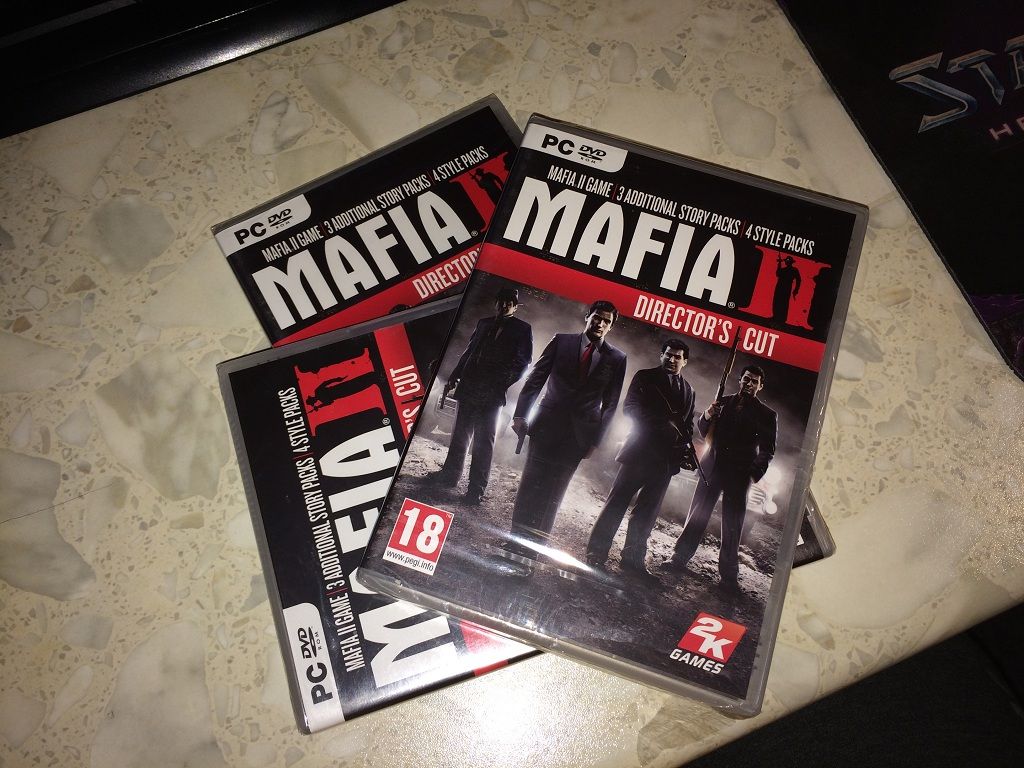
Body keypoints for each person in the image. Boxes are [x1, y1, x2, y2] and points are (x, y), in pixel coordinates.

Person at [506, 300, 627, 561]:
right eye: (597, 317)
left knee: (555, 492)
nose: (600, 323)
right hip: (545, 426)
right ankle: (515, 540)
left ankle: (534, 548)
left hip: (579, 436)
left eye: (607, 321)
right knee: (531, 484)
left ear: (611, 326)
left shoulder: (617, 358)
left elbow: (611, 404)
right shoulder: (561, 341)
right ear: (588, 317)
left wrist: (597, 441)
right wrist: (520, 414)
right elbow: (536, 379)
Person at [586, 339, 696, 581]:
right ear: (661, 355)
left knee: (647, 514)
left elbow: (688, 425)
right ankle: (596, 553)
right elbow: (631, 408)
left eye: (677, 357)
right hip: (639, 453)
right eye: (668, 354)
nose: (672, 359)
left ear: (685, 361)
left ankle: (633, 560)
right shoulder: (645, 377)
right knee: (617, 504)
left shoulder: (689, 390)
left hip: (665, 462)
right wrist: (662, 427)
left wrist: (683, 445)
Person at [664, 365, 776, 593]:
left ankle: (729, 578)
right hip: (713, 467)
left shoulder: (767, 414)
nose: (749, 384)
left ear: (760, 386)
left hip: (740, 474)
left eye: (754, 381)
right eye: (746, 379)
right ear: (740, 380)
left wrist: (753, 473)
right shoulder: (722, 402)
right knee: (697, 516)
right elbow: (704, 430)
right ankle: (679, 558)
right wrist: (708, 414)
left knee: (733, 525)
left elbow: (768, 450)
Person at [429, 287, 532, 503]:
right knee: (459, 436)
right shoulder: (484, 323)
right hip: (469, 387)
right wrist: (455, 376)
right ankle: (450, 476)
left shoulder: (523, 328)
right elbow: (469, 352)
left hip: (492, 393)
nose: (505, 305)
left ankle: (476, 489)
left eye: (509, 302)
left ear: (515, 306)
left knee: (484, 443)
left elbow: (523, 363)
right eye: (501, 301)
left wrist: (501, 383)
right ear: (496, 303)